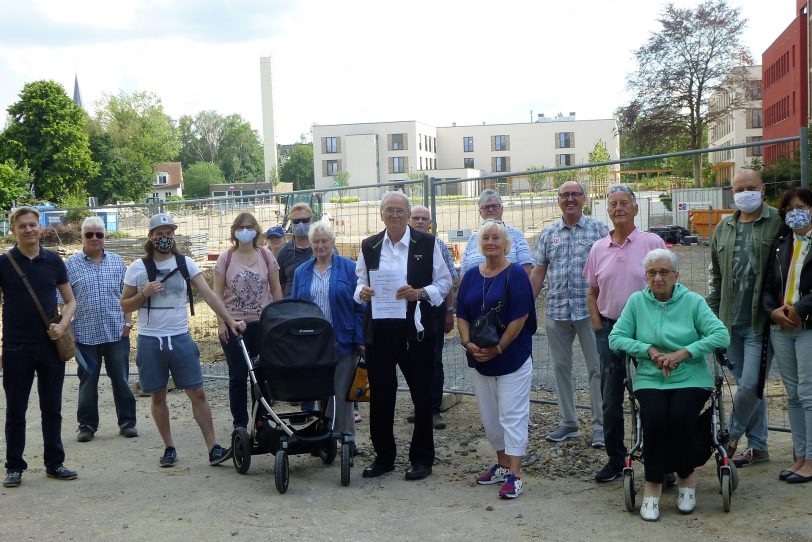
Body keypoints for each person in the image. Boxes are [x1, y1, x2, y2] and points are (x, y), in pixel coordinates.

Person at [609, 249, 729, 521]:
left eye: (664, 272)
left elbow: (721, 335)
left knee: (680, 418)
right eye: (652, 272)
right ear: (646, 276)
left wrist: (684, 353)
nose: (658, 277)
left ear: (677, 275)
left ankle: (686, 478)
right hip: (652, 377)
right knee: (654, 420)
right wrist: (648, 350)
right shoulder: (637, 302)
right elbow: (616, 338)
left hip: (691, 376)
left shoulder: (693, 302)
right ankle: (653, 487)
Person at [120, 213, 246, 468]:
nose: (164, 238)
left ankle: (213, 447)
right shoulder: (137, 268)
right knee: (157, 395)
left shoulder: (185, 263)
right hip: (150, 339)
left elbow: (209, 294)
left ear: (174, 235)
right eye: (159, 233)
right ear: (151, 237)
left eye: (169, 233)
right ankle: (169, 447)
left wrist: (229, 320)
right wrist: (144, 293)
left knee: (197, 391)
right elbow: (124, 304)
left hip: (179, 336)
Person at [355, 191, 451, 481]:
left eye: (399, 210)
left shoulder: (428, 243)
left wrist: (420, 293)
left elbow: (445, 282)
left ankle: (422, 459)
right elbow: (359, 282)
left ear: (409, 216)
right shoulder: (369, 245)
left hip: (416, 332)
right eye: (389, 210)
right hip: (381, 332)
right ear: (381, 214)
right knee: (381, 396)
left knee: (422, 398)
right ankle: (384, 457)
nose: (394, 215)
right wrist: (362, 292)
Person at [584, 184, 666, 483]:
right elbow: (592, 291)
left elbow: (666, 286)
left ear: (635, 208)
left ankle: (659, 461)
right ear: (607, 210)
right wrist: (596, 325)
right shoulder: (598, 248)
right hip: (609, 329)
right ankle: (616, 459)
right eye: (613, 203)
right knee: (610, 397)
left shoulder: (651, 242)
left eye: (624, 203)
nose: (618, 208)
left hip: (646, 332)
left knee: (652, 395)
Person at [457, 220, 536, 499]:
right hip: (479, 358)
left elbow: (520, 317)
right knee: (491, 417)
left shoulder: (515, 274)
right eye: (486, 238)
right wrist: (468, 343)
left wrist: (499, 348)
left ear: (506, 244)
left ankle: (515, 474)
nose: (491, 242)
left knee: (512, 415)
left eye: (496, 238)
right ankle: (502, 464)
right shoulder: (470, 276)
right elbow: (461, 314)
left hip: (510, 356)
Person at [708, 169, 782, 468]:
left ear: (762, 189)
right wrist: (712, 318)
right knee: (748, 387)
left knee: (750, 385)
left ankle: (730, 435)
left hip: (760, 321)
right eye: (739, 189)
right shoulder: (724, 227)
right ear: (732, 192)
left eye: (751, 188)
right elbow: (716, 275)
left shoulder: (777, 221)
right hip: (729, 321)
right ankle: (760, 447)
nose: (745, 193)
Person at [1, 207, 78, 488]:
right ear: (14, 231)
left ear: (40, 228)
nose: (28, 230)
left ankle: (54, 463)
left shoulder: (53, 261)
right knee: (16, 409)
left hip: (50, 345)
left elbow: (70, 301)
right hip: (15, 346)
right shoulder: (4, 263)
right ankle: (14, 467)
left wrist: (63, 324)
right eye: (22, 226)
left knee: (52, 408)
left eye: (33, 225)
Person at [531, 181, 608, 447]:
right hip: (557, 311)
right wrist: (527, 303)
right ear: (558, 200)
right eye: (565, 195)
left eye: (575, 194)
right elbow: (539, 270)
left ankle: (600, 426)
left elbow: (606, 270)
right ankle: (569, 423)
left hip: (590, 312)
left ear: (585, 199)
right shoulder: (548, 233)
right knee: (561, 367)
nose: (570, 199)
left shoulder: (599, 230)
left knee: (597, 368)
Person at [291, 220, 364, 447]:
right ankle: (325, 437)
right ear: (310, 244)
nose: (320, 246)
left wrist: (360, 339)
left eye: (324, 241)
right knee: (321, 391)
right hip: (313, 343)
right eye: (316, 242)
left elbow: (361, 307)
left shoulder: (349, 268)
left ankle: (347, 438)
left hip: (343, 339)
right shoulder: (301, 272)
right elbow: (295, 308)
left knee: (342, 393)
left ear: (333, 242)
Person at [65, 216, 137, 443]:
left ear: (105, 237)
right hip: (84, 336)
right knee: (87, 382)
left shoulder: (117, 262)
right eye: (89, 234)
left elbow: (127, 296)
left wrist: (128, 322)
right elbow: (64, 301)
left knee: (122, 380)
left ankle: (127, 423)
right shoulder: (70, 266)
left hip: (116, 332)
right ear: (82, 237)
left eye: (99, 234)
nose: (95, 238)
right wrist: (69, 331)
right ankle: (86, 426)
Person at [213, 213, 283, 430]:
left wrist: (279, 318)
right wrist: (221, 322)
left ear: (256, 230)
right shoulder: (226, 258)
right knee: (238, 376)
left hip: (261, 324)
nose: (245, 230)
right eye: (241, 227)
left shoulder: (266, 256)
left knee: (261, 374)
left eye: (249, 226)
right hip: (234, 324)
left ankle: (261, 419)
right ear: (234, 231)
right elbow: (216, 294)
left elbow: (276, 288)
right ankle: (240, 424)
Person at [762, 188, 812, 483]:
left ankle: (811, 459)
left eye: (803, 206)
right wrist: (773, 312)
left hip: (807, 327)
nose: (797, 212)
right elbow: (768, 285)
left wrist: (798, 310)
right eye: (791, 208)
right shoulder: (782, 243)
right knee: (792, 394)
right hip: (781, 327)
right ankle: (801, 456)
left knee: (808, 393)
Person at [408, 205, 458, 429]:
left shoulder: (437, 245)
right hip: (407, 309)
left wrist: (449, 311)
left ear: (430, 223)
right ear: (409, 220)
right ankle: (419, 406)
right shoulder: (402, 245)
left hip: (433, 309)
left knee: (435, 358)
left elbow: (449, 281)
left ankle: (434, 409)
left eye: (424, 219)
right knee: (412, 360)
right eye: (416, 218)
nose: (420, 222)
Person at [459, 189, 533, 276]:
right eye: (486, 207)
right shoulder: (473, 238)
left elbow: (526, 268)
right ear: (480, 212)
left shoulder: (517, 235)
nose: (490, 209)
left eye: (494, 206)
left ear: (502, 209)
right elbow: (463, 273)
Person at [277, 203, 314, 297]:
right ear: (291, 222)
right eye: (296, 221)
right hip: (293, 306)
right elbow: (280, 283)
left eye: (305, 220)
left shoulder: (323, 248)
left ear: (312, 220)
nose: (301, 224)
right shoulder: (284, 253)